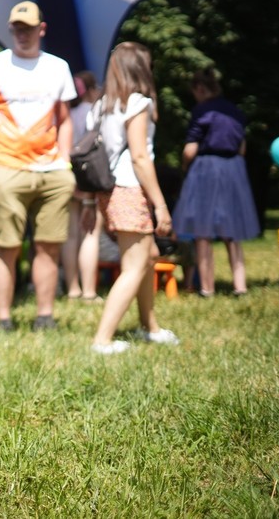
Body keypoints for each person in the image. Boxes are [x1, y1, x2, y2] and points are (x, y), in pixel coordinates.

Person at [0, 1, 77, 332]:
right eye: (17, 28)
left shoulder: (58, 66)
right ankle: (4, 318)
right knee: (8, 245)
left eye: (28, 28)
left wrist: (65, 161)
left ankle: (44, 316)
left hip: (52, 171)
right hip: (7, 169)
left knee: (48, 246)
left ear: (41, 29)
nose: (22, 34)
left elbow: (65, 119)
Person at [89, 42, 178, 354]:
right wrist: (161, 205)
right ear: (140, 68)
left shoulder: (101, 105)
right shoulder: (138, 103)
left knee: (148, 256)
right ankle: (102, 340)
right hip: (129, 189)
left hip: (108, 190)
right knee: (135, 266)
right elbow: (140, 156)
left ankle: (149, 327)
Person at [172, 68, 260, 297]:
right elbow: (241, 147)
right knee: (232, 231)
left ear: (200, 88)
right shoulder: (235, 112)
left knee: (202, 230)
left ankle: (207, 288)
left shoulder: (202, 111)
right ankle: (240, 286)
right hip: (233, 168)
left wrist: (184, 167)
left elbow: (190, 149)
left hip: (206, 170)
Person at [63, 71, 105, 302]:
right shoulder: (94, 111)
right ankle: (89, 291)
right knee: (90, 233)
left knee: (70, 235)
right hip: (90, 175)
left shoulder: (67, 112)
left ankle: (72, 289)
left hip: (68, 173)